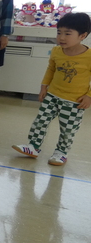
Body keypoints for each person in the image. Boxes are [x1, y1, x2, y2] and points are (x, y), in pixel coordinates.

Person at [12, 12, 91, 166]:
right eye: (59, 32)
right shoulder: (56, 51)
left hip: (74, 101)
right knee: (40, 121)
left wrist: (89, 95)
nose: (61, 37)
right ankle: (33, 147)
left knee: (68, 129)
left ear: (82, 36)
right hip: (52, 95)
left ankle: (61, 152)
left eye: (67, 33)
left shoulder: (89, 56)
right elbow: (51, 70)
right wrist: (44, 87)